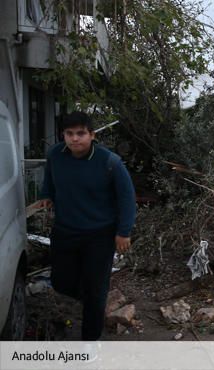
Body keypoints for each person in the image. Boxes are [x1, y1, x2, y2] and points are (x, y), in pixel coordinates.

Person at [36, 111, 136, 340]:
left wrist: (123, 232)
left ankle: (90, 341)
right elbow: (50, 177)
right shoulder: (55, 155)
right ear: (63, 135)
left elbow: (127, 199)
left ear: (91, 135)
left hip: (99, 236)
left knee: (96, 290)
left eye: (80, 133)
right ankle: (92, 299)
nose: (74, 139)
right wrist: (47, 194)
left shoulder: (110, 162)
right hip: (64, 232)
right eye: (69, 134)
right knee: (60, 282)